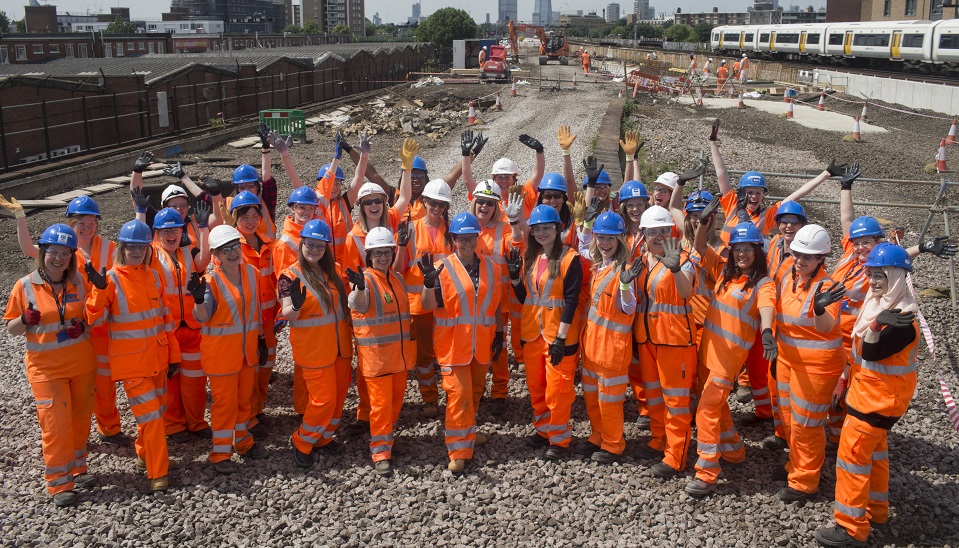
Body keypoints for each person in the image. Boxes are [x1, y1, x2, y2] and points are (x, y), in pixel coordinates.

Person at [0, 194, 128, 446]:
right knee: (85, 382)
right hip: (75, 323)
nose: (86, 227)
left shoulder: (109, 247)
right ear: (71, 223)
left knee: (104, 381)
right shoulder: (65, 248)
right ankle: (77, 432)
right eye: (81, 222)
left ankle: (109, 428)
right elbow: (30, 250)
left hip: (102, 320)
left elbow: (128, 261)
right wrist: (20, 217)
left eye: (91, 222)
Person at [814, 243, 919, 548]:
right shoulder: (883, 304)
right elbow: (862, 355)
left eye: (881, 276)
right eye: (871, 274)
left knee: (852, 460)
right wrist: (845, 378)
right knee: (875, 457)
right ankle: (877, 510)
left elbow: (873, 349)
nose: (873, 281)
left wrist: (874, 326)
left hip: (875, 403)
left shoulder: (901, 318)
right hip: (874, 398)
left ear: (897, 277)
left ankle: (851, 528)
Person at [5, 224, 97, 507]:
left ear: (72, 256)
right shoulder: (24, 285)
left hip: (81, 365)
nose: (58, 258)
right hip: (46, 370)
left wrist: (82, 324)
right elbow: (11, 328)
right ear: (42, 252)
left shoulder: (79, 282)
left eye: (65, 253)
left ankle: (78, 469)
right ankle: (59, 484)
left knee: (80, 421)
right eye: (53, 252)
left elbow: (92, 316)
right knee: (56, 426)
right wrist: (25, 321)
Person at [85, 219, 179, 492]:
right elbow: (96, 320)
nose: (136, 251)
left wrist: (173, 356)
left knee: (157, 414)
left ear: (148, 248)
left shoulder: (153, 277)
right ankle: (157, 472)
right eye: (131, 247)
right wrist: (98, 291)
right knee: (150, 418)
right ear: (122, 248)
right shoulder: (111, 279)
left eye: (141, 247)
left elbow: (165, 319)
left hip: (158, 361)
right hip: (133, 365)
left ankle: (143, 455)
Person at [685, 220, 776, 497]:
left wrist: (768, 330)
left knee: (707, 410)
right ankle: (735, 452)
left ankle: (706, 472)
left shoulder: (762, 283)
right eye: (737, 249)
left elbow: (767, 305)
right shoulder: (724, 273)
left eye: (748, 248)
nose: (742, 254)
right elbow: (700, 246)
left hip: (727, 362)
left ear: (758, 251)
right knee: (718, 408)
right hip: (707, 355)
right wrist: (704, 224)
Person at [420, 212, 505, 474]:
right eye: (461, 239)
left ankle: (468, 431)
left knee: (475, 392)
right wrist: (427, 284)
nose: (467, 244)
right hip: (454, 347)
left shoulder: (492, 268)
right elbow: (427, 306)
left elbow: (496, 305)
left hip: (481, 345)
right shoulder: (440, 268)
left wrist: (500, 334)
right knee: (459, 396)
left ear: (477, 238)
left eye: (471, 238)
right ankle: (458, 449)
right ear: (453, 239)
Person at [773, 224, 846, 502]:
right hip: (788, 360)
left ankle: (805, 482)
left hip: (817, 367)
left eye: (808, 257)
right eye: (796, 254)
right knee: (790, 419)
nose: (800, 260)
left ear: (821, 259)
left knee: (807, 424)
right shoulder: (787, 278)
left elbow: (827, 326)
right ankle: (796, 465)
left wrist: (819, 307)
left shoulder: (829, 288)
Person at [191, 224, 268, 474]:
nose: (233, 252)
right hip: (222, 356)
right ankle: (220, 453)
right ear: (216, 255)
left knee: (245, 401)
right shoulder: (211, 281)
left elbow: (254, 310)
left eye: (235, 246)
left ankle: (243, 442)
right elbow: (202, 318)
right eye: (226, 249)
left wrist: (261, 339)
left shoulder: (252, 273)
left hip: (246, 353)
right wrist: (198, 301)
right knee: (225, 405)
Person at [508, 205, 583, 459]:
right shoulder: (532, 257)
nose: (542, 233)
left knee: (558, 391)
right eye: (537, 229)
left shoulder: (570, 258)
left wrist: (561, 337)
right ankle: (543, 430)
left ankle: (559, 439)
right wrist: (515, 279)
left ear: (557, 229)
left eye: (546, 228)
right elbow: (526, 298)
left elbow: (571, 300)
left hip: (558, 337)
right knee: (537, 387)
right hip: (533, 335)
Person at [280, 219, 353, 467]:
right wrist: (297, 305)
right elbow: (287, 312)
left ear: (326, 248)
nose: (314, 250)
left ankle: (323, 437)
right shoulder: (288, 276)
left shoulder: (335, 271)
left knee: (338, 398)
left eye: (320, 246)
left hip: (340, 348)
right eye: (310, 244)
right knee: (323, 401)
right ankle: (302, 440)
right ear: (301, 244)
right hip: (314, 351)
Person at [631, 206, 697, 478]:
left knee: (676, 402)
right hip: (648, 340)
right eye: (652, 232)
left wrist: (676, 269)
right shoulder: (642, 259)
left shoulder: (683, 259)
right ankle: (658, 439)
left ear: (672, 231)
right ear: (643, 234)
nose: (658, 236)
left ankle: (675, 455)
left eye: (663, 230)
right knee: (655, 397)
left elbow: (686, 292)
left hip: (675, 342)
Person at [348, 227, 416, 476]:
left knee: (395, 405)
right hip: (376, 360)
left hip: (398, 357)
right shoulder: (364, 280)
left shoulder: (396, 278)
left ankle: (387, 440)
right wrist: (359, 289)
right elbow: (357, 304)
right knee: (380, 407)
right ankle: (380, 452)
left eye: (387, 252)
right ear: (369, 255)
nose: (383, 257)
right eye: (378, 253)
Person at [148, 206, 213, 443]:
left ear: (182, 230)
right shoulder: (151, 255)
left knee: (196, 380)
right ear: (156, 233)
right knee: (171, 382)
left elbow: (204, 259)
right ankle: (174, 425)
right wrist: (139, 211)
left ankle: (196, 422)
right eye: (165, 231)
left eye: (175, 229)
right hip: (168, 331)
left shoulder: (188, 252)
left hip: (193, 328)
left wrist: (204, 228)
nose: (170, 234)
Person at [460, 179, 525, 415]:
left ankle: (499, 392)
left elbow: (516, 245)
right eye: (480, 202)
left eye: (489, 203)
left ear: (497, 206)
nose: (484, 207)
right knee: (472, 346)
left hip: (498, 301)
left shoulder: (503, 228)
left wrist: (516, 222)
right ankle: (470, 391)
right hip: (470, 303)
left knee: (498, 347)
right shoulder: (466, 226)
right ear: (474, 202)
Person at [578, 212, 639, 464]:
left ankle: (613, 444)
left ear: (620, 240)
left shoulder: (624, 271)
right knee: (592, 396)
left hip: (612, 349)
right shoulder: (599, 266)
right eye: (601, 237)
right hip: (593, 346)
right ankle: (597, 435)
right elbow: (581, 248)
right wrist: (587, 225)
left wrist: (625, 287)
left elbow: (629, 308)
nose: (605, 243)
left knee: (610, 401)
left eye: (610, 238)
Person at [220, 191, 277, 430]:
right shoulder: (233, 247)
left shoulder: (268, 244)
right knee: (250, 370)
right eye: (245, 216)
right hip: (247, 321)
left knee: (266, 365)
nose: (251, 221)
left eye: (255, 215)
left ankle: (258, 408)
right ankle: (249, 418)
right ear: (235, 218)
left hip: (269, 318)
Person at [402, 172, 451, 420]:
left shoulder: (452, 231)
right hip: (418, 305)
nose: (437, 208)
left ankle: (453, 395)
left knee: (447, 352)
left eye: (442, 204)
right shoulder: (411, 230)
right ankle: (429, 396)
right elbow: (400, 268)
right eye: (433, 203)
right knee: (423, 355)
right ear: (424, 202)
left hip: (445, 304)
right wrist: (400, 246)